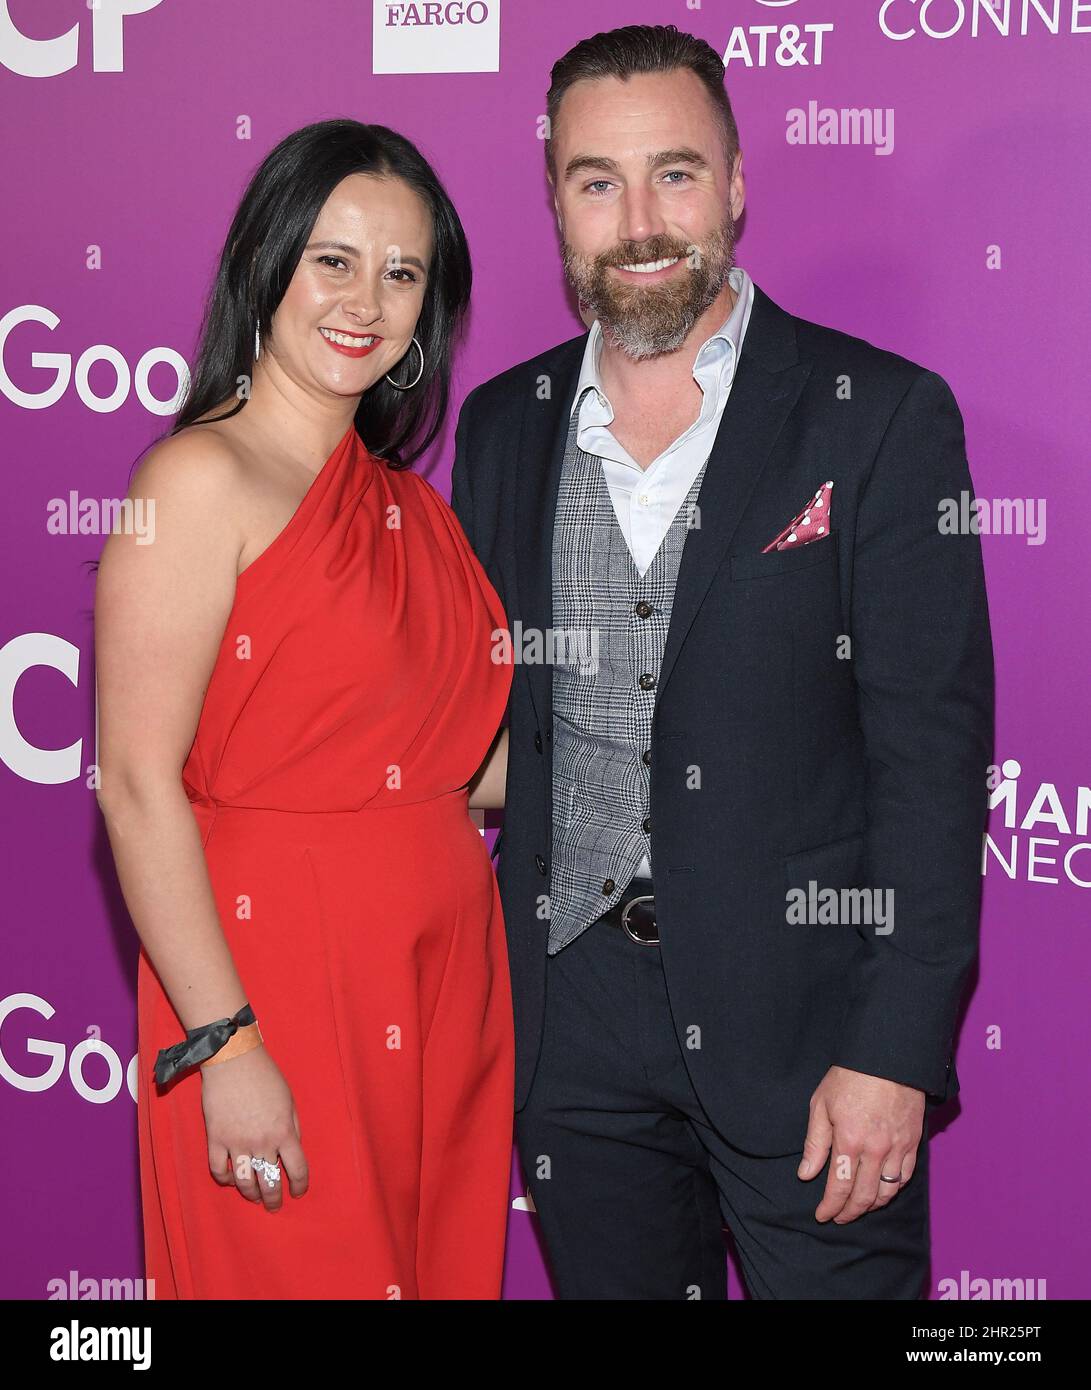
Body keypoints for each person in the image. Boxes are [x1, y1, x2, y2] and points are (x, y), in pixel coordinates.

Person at [450, 25, 994, 1300]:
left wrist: (894, 1050)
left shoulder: (880, 416)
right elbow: (479, 722)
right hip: (569, 1030)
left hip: (810, 1035)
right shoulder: (501, 427)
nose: (638, 219)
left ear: (738, 182)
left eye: (674, 173)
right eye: (597, 181)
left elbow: (931, 761)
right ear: (555, 202)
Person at [94, 119, 513, 1300]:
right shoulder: (192, 482)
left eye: (402, 272)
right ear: (266, 261)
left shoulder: (411, 511)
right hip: (270, 979)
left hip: (440, 982)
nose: (365, 301)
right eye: (334, 259)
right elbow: (134, 785)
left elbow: (462, 769)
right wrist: (225, 1045)